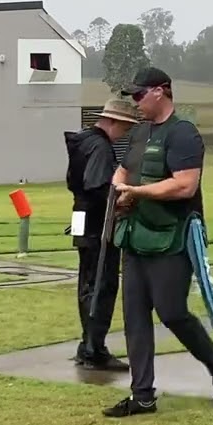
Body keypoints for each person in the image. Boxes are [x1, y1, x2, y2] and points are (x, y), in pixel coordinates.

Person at [103, 66, 213, 417]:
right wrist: (120, 191)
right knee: (134, 316)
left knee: (172, 312)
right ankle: (142, 395)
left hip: (172, 237)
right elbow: (124, 171)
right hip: (134, 234)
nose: (135, 102)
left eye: (139, 95)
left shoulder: (183, 133)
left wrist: (137, 191)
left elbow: (184, 185)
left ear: (160, 91)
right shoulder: (138, 133)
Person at [64, 98, 140, 371]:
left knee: (88, 282)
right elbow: (97, 185)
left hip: (82, 217)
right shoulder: (100, 146)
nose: (125, 133)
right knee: (101, 284)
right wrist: (122, 199)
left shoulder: (82, 141)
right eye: (125, 127)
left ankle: (89, 345)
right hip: (99, 223)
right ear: (113, 122)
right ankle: (94, 349)